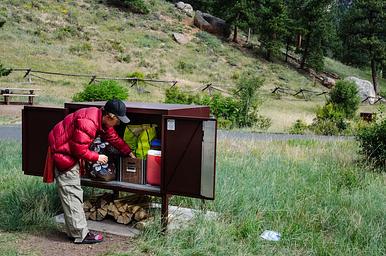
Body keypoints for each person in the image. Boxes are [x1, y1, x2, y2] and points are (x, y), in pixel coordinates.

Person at [43, 99, 135, 244]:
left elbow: (112, 137)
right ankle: (81, 234)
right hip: (63, 153)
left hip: (66, 150)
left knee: (71, 193)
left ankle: (73, 231)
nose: (118, 124)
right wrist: (97, 157)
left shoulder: (99, 117)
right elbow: (78, 149)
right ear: (110, 116)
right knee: (72, 193)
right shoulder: (89, 123)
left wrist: (128, 152)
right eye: (118, 120)